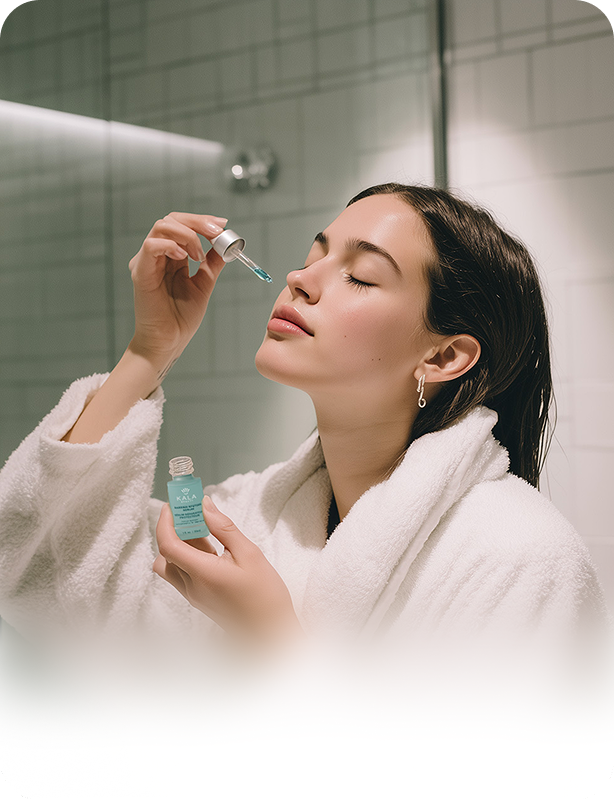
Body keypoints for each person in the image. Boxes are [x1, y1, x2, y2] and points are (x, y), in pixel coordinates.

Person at [0, 184, 608, 675]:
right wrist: (148, 349)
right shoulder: (257, 514)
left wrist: (276, 646)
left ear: (444, 358)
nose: (300, 279)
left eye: (361, 276)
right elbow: (44, 572)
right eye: (315, 257)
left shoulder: (521, 559)